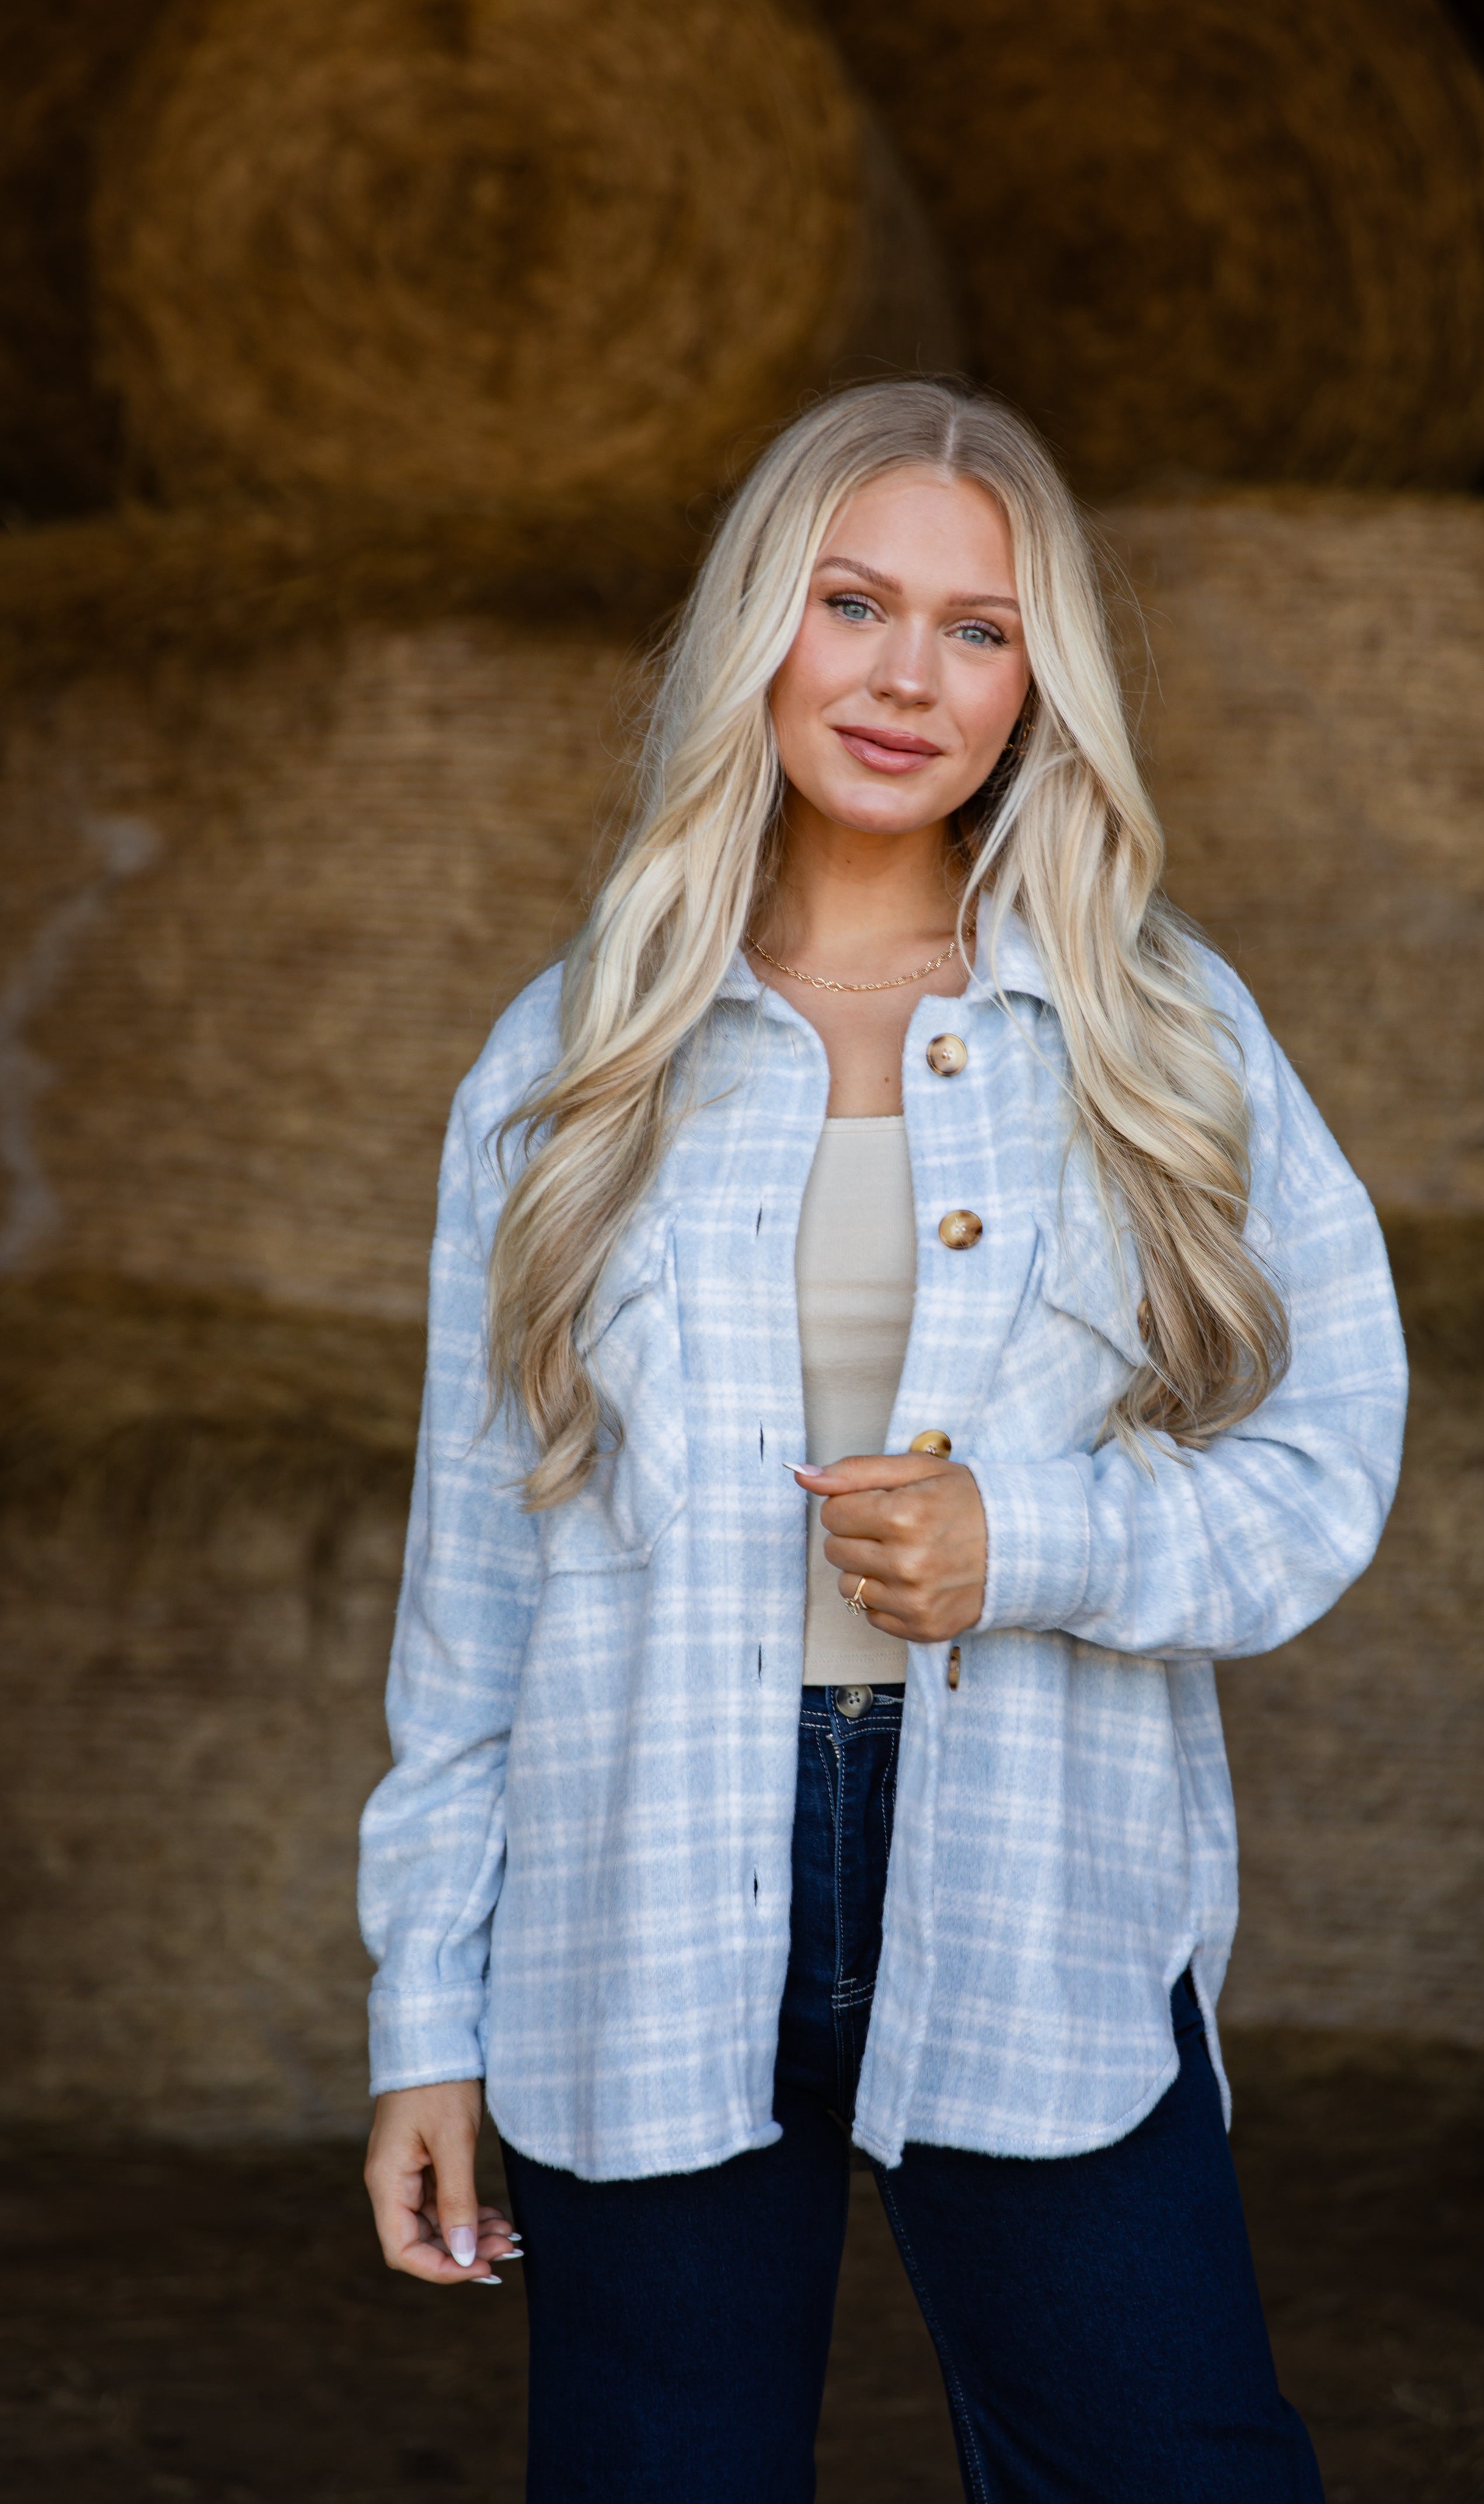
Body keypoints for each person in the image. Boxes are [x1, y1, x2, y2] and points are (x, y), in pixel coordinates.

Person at [359, 377, 1406, 2501]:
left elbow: (1328, 1461)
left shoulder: (1157, 1032)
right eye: (852, 602)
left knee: (1174, 2467)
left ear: (1038, 688)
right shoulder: (569, 1058)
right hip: (635, 1898)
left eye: (977, 628)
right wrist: (425, 2023)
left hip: (1040, 1890)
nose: (905, 676)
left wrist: (1033, 1541)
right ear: (762, 622)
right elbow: (474, 1588)